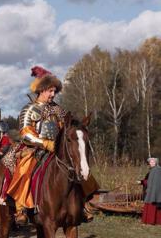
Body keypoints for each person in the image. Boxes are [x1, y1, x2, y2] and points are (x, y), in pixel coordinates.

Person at [7, 66, 99, 225]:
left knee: (77, 166)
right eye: (50, 91)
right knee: (24, 169)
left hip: (58, 149)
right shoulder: (29, 110)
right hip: (34, 149)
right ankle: (21, 209)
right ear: (41, 90)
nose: (53, 94)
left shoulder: (58, 110)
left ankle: (83, 203)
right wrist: (45, 143)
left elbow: (68, 129)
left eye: (55, 91)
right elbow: (25, 133)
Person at [140, 157, 161, 225]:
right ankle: (148, 221)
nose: (151, 163)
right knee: (149, 205)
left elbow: (156, 183)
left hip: (154, 192)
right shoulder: (152, 170)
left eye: (153, 162)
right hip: (151, 191)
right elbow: (149, 181)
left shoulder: (158, 170)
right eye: (150, 162)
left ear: (156, 163)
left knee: (153, 206)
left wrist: (154, 193)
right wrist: (142, 182)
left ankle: (151, 221)